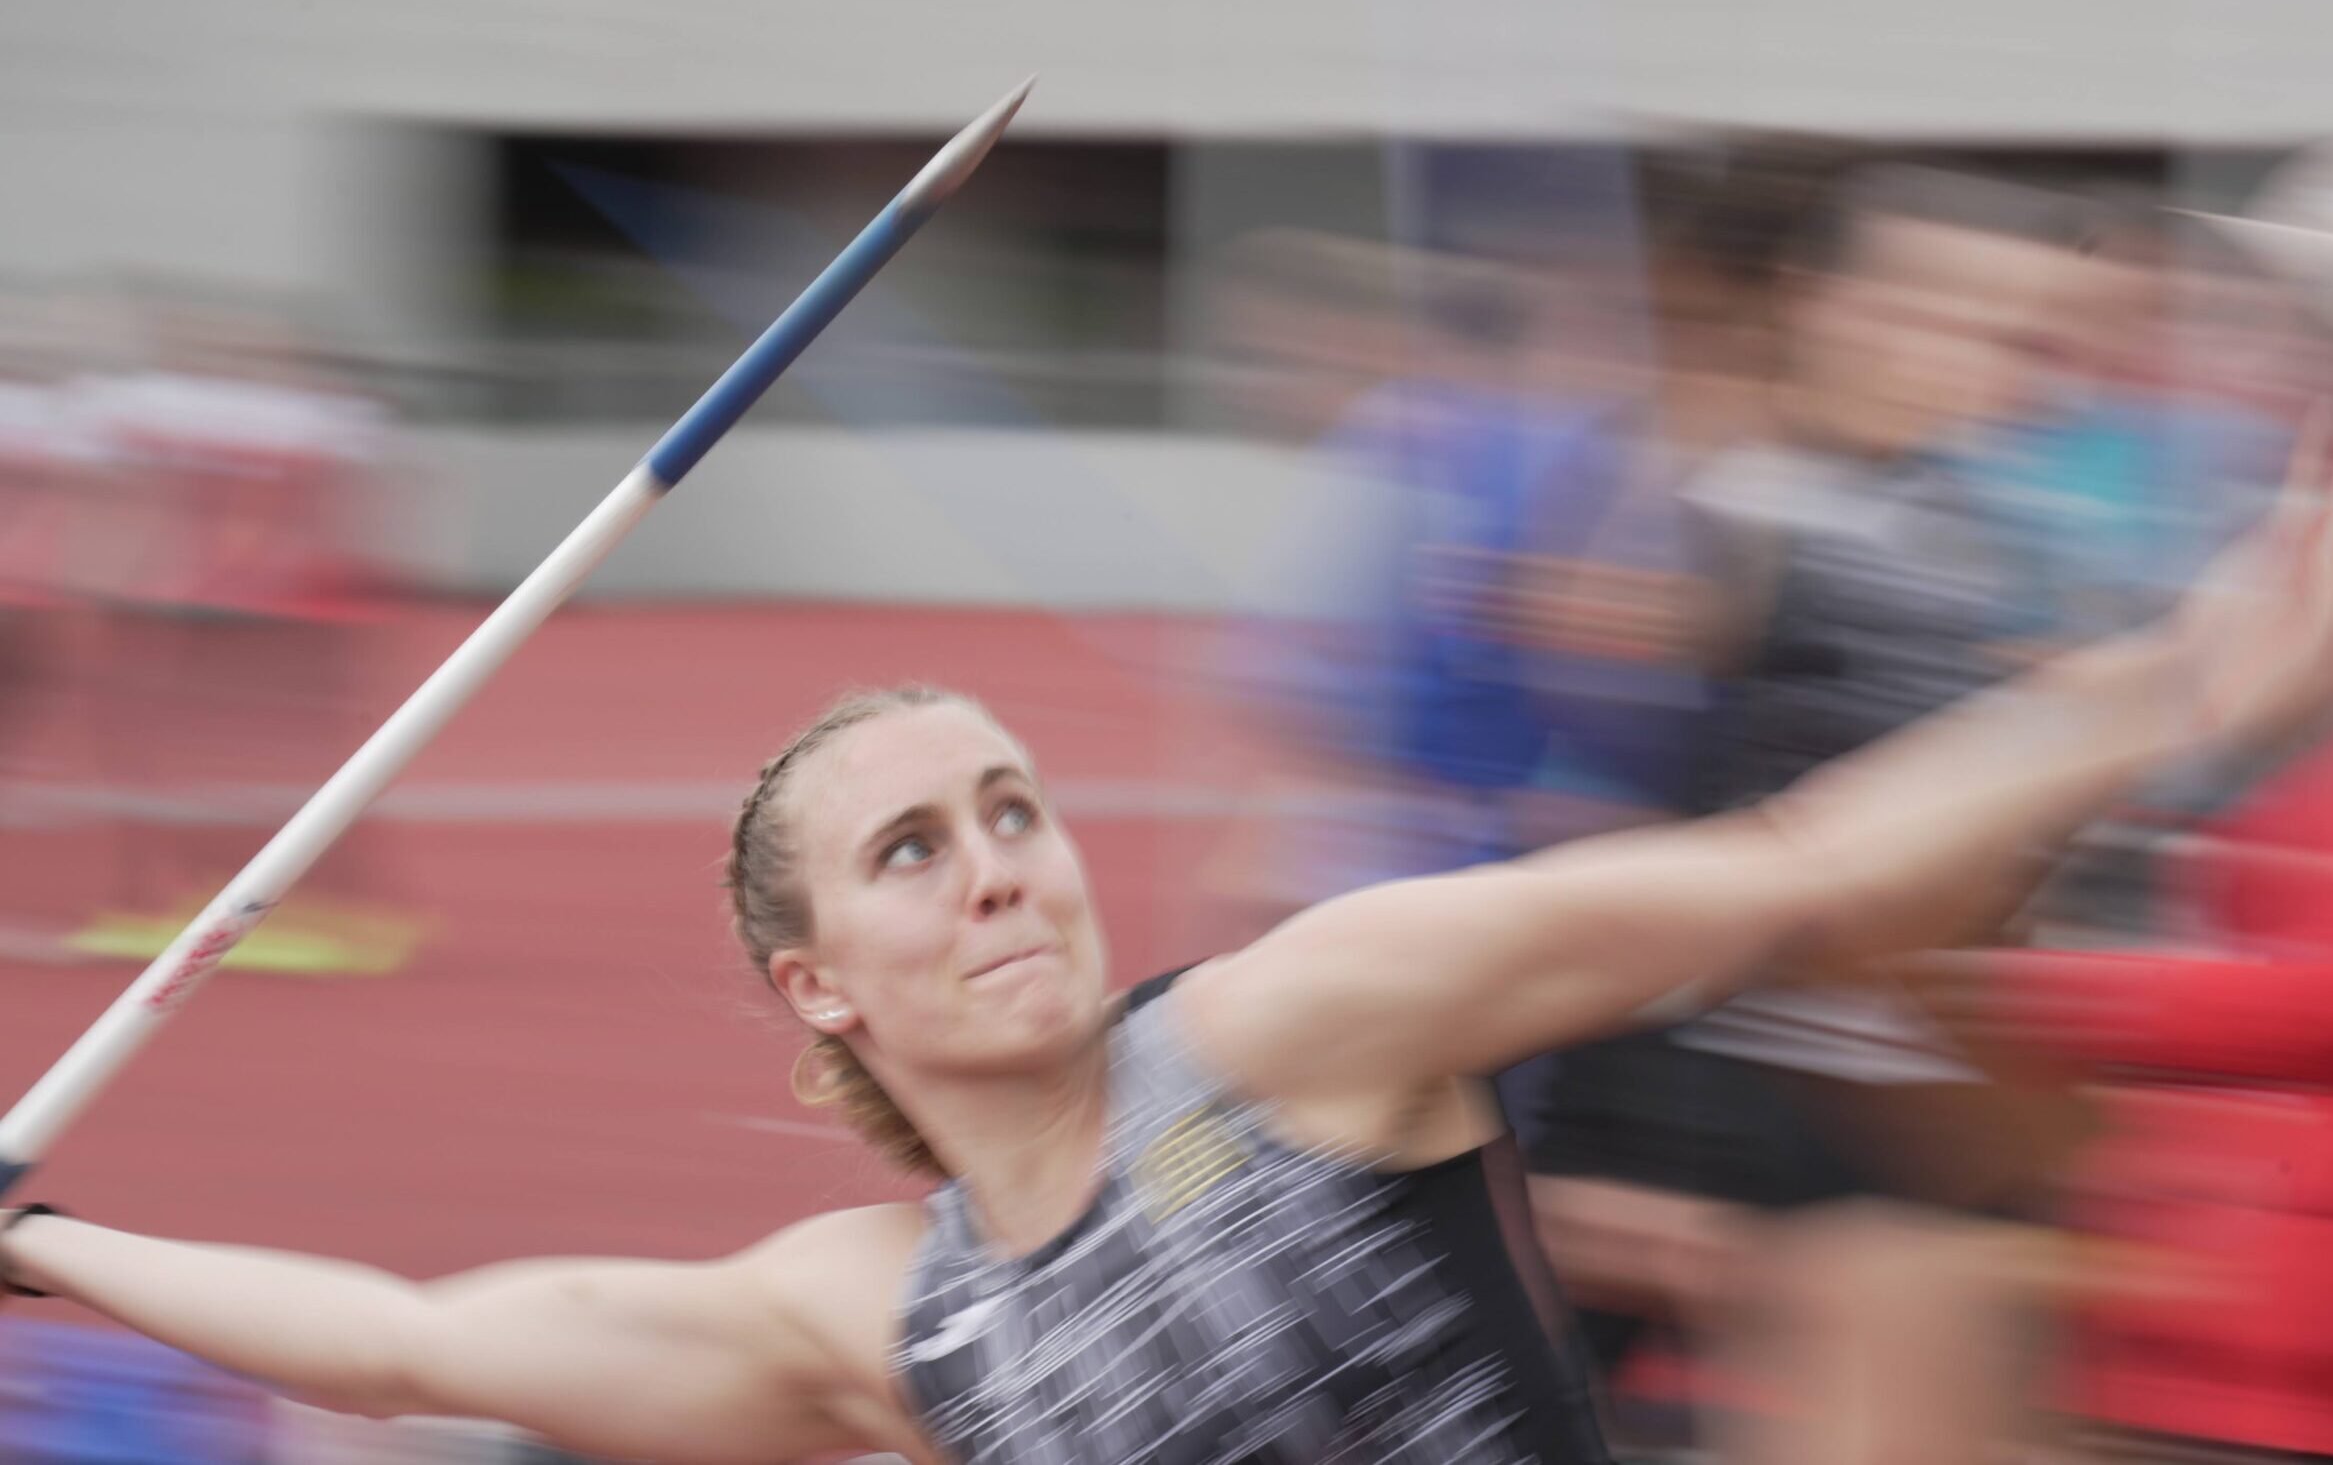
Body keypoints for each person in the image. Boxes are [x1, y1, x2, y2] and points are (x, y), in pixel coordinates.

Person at [6, 437, 2333, 1464]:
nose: (1002, 860)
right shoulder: (863, 1314)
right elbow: (416, 1342)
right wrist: (52, 1249)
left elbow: (1805, 866)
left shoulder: (1296, 1026)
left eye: (1014, 804)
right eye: (914, 847)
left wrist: (2167, 694)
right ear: (820, 980)